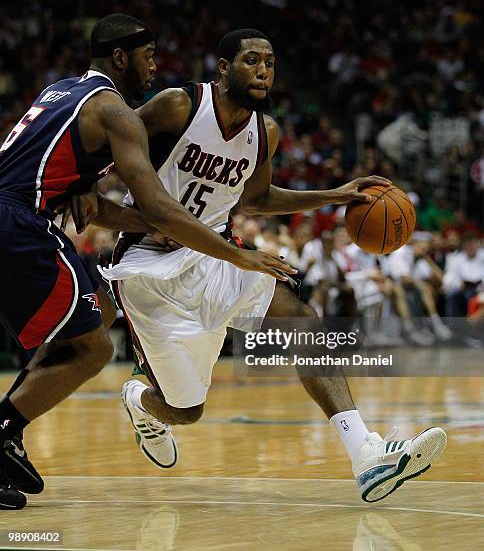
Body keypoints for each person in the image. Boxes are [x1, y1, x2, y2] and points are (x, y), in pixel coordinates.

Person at [102, 29, 447, 503]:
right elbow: (108, 143)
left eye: (269, 61)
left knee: (303, 321)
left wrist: (335, 193)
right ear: (224, 68)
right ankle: (139, 401)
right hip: (149, 265)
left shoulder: (265, 133)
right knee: (186, 411)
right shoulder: (179, 106)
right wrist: (84, 193)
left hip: (216, 258)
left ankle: (366, 455)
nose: (263, 69)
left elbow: (257, 198)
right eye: (250, 60)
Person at [0, 16, 294, 510]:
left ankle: (7, 434)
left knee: (98, 319)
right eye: (148, 56)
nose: (155, 65)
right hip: (17, 223)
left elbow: (104, 207)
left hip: (20, 218)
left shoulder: (61, 92)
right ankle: (5, 431)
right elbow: (158, 207)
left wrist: (119, 209)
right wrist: (236, 256)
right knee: (92, 349)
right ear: (120, 58)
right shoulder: (116, 111)